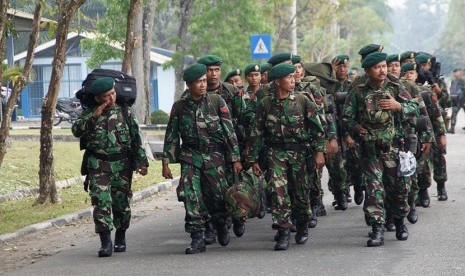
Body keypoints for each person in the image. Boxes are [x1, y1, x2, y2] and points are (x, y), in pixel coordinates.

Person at [162, 63, 242, 254]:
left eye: (204, 81)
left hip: (215, 157)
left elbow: (230, 132)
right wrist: (166, 162)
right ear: (189, 84)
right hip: (190, 157)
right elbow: (172, 134)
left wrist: (236, 159)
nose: (203, 85)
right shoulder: (180, 107)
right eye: (198, 82)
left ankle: (221, 223)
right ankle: (197, 237)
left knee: (218, 198)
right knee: (191, 196)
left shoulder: (217, 102)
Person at [246, 63, 325, 251]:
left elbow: (317, 129)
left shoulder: (302, 100)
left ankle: (302, 223)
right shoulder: (265, 103)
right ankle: (282, 230)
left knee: (300, 193)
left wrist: (319, 153)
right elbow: (257, 133)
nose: (293, 80)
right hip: (275, 154)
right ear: (277, 81)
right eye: (289, 78)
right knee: (278, 192)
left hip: (299, 153)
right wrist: (253, 159)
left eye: (293, 77)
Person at [343, 52, 418, 247]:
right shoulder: (358, 91)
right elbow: (346, 117)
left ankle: (400, 222)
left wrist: (398, 106)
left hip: (393, 149)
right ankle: (377, 229)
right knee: (374, 191)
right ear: (368, 71)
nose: (383, 70)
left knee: (399, 189)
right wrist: (355, 127)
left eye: (384, 66)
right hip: (370, 151)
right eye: (378, 67)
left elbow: (415, 108)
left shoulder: (395, 87)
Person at [72, 77, 149, 257]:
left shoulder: (125, 112)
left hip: (122, 166)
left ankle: (120, 235)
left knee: (121, 205)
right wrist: (94, 115)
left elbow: (136, 139)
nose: (112, 98)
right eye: (107, 96)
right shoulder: (89, 114)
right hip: (98, 165)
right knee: (101, 202)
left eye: (113, 93)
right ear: (98, 98)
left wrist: (141, 162)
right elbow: (77, 130)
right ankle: (105, 242)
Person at [448, 68, 465, 134]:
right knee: (454, 114)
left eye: (457, 72)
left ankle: (452, 128)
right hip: (458, 100)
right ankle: (452, 128)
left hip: (460, 100)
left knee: (454, 114)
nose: (455, 74)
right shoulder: (454, 80)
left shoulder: (461, 80)